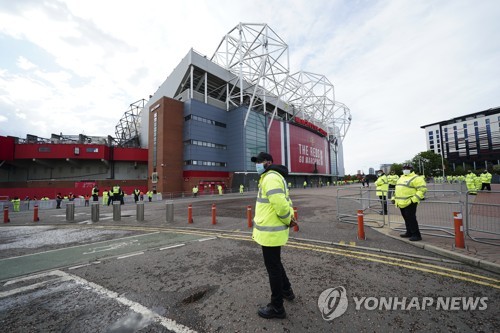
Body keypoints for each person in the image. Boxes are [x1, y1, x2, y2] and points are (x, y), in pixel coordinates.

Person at [251, 152, 298, 319]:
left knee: (273, 269)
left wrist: (288, 220)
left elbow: (281, 205)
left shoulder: (270, 177)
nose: (256, 164)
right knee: (276, 264)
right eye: (255, 161)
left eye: (259, 161)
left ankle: (277, 307)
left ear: (268, 162)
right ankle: (287, 291)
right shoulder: (271, 177)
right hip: (272, 231)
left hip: (270, 232)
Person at [392, 164, 427, 241]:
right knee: (406, 218)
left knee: (411, 218)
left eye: (407, 168)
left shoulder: (416, 178)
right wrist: (394, 198)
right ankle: (409, 232)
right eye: (404, 168)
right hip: (401, 202)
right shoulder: (401, 177)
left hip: (410, 202)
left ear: (411, 169)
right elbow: (397, 189)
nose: (405, 169)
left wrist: (414, 200)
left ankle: (416, 234)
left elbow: (422, 190)